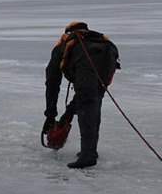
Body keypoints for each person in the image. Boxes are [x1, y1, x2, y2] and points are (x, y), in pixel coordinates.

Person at [44, 21, 119, 169]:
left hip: (88, 62)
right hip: (108, 58)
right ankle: (90, 150)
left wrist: (50, 115)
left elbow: (52, 83)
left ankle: (88, 155)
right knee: (94, 100)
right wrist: (67, 115)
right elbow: (84, 94)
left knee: (88, 101)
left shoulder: (65, 45)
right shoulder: (99, 40)